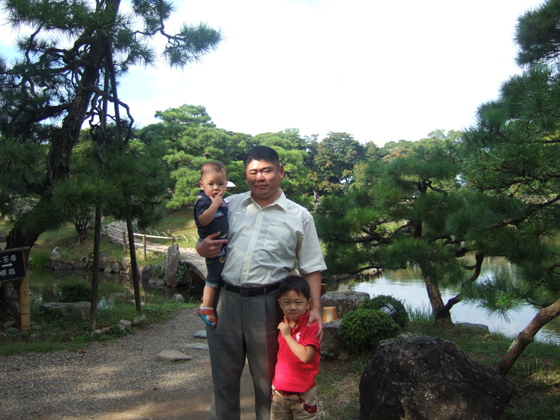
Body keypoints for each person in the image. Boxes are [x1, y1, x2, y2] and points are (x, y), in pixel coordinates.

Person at [196, 146, 327, 420]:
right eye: (253, 172)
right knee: (223, 382)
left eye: (266, 170)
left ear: (280, 171)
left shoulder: (299, 216)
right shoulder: (229, 204)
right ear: (245, 175)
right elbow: (205, 234)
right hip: (225, 302)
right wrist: (201, 247)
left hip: (269, 306)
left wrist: (315, 309)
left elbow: (312, 267)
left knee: (268, 385)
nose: (260, 177)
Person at [271, 275, 320, 420]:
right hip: (280, 393)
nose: (293, 307)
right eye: (287, 302)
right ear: (280, 304)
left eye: (298, 302)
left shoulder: (310, 328)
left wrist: (287, 336)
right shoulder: (282, 324)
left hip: (303, 395)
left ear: (308, 303)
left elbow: (306, 356)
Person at [194, 161, 229, 327]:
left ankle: (206, 298)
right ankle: (206, 307)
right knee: (213, 277)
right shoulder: (203, 201)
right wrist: (215, 205)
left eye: (220, 184)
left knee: (218, 274)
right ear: (202, 185)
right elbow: (203, 219)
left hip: (221, 245)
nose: (216, 188)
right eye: (211, 184)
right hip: (213, 247)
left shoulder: (222, 200)